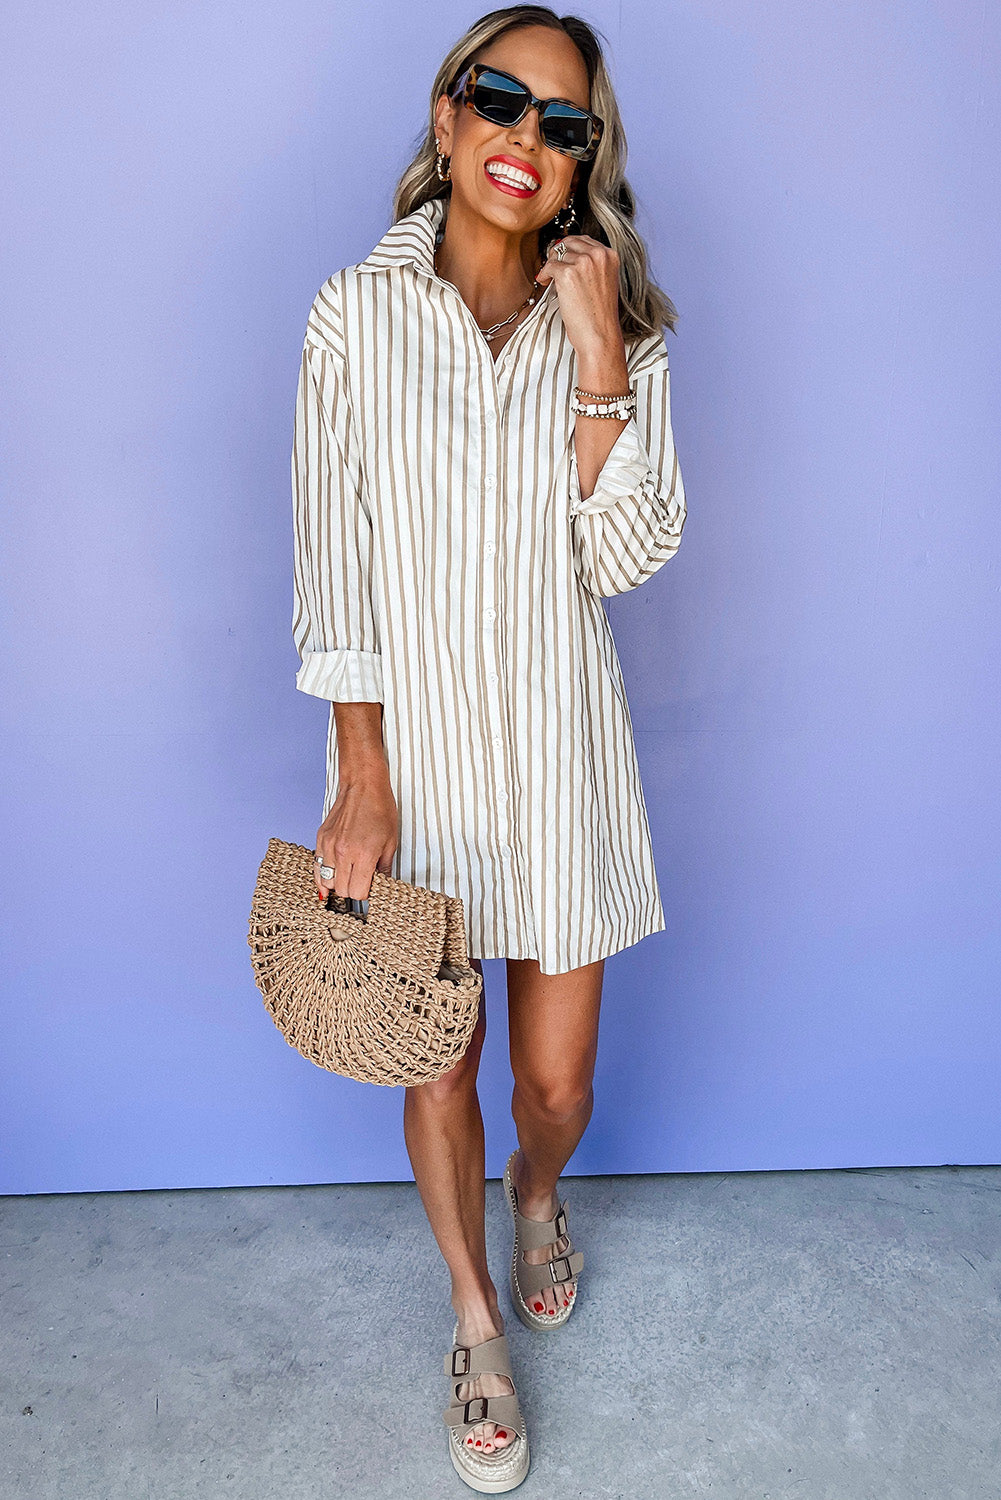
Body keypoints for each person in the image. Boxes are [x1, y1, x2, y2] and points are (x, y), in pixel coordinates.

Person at [290, 6, 686, 1490]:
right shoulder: (354, 314)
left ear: (583, 162)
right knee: (435, 1066)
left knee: (556, 1092)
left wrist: (597, 359)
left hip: (563, 765)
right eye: (500, 101)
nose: (526, 137)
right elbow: (334, 566)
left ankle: (536, 1193)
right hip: (420, 775)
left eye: (561, 123)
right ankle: (472, 1320)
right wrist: (362, 780)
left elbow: (627, 555)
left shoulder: (621, 331)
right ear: (448, 116)